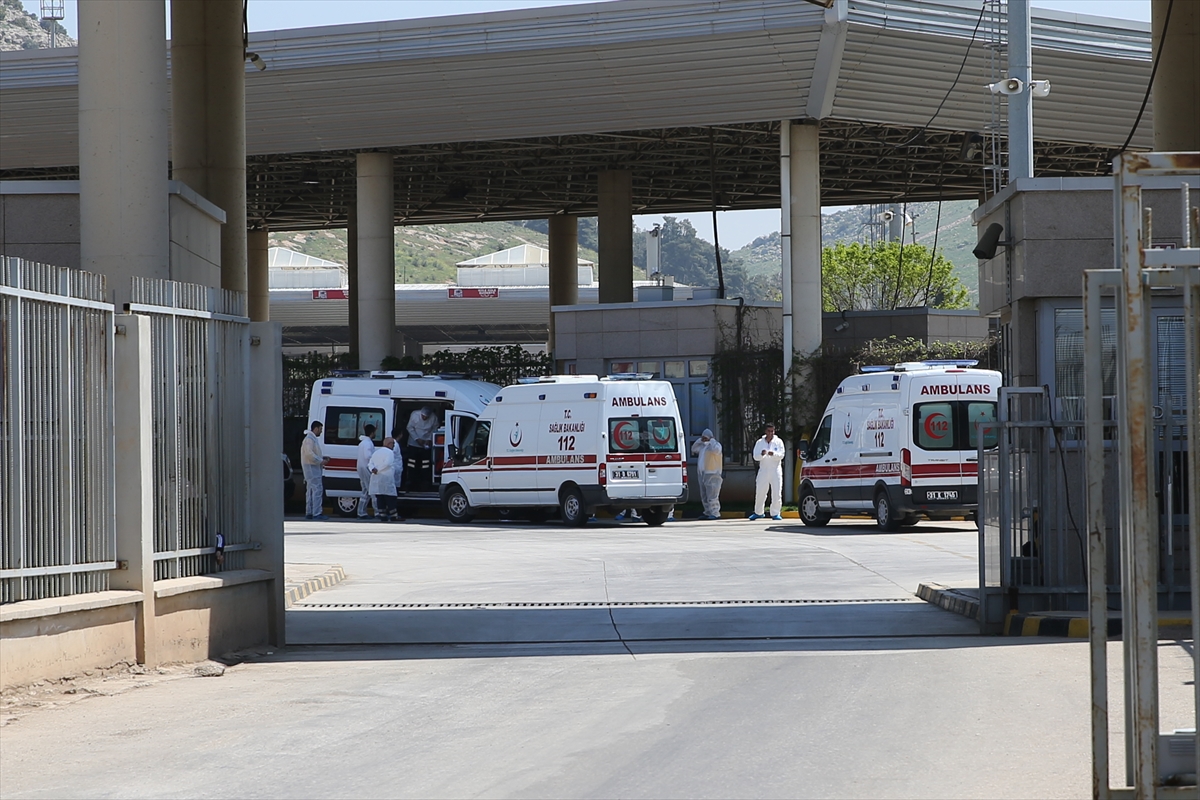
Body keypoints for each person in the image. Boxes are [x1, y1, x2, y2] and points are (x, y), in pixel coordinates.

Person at [750, 423, 785, 521]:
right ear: (765, 431)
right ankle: (758, 512)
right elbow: (755, 456)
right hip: (763, 470)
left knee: (776, 492)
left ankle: (775, 513)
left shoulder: (778, 442)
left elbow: (782, 455)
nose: (771, 433)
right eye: (769, 431)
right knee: (760, 491)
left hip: (775, 470)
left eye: (772, 431)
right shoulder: (760, 442)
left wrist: (773, 454)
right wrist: (761, 454)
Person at [300, 421, 331, 520]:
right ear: (316, 429)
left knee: (310, 490)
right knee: (317, 489)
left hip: (312, 467)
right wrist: (320, 461)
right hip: (312, 467)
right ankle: (316, 513)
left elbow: (313, 453)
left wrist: (322, 458)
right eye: (320, 429)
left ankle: (310, 512)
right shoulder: (309, 439)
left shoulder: (311, 439)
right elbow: (310, 454)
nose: (321, 432)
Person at [691, 428, 724, 520]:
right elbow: (693, 448)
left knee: (712, 495)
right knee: (704, 495)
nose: (704, 439)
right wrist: (700, 440)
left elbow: (716, 450)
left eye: (706, 437)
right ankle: (708, 512)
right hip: (702, 474)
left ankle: (715, 513)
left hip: (713, 474)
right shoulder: (703, 447)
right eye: (703, 437)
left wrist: (712, 440)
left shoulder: (716, 445)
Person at [405, 406, 439, 490]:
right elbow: (409, 427)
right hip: (413, 442)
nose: (424, 418)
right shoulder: (414, 415)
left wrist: (429, 439)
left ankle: (425, 480)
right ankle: (411, 480)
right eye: (423, 416)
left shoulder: (434, 418)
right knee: (412, 462)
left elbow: (435, 429)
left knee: (426, 463)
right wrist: (417, 439)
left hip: (426, 442)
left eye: (426, 417)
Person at [369, 437, 400, 522]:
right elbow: (387, 463)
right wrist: (377, 469)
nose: (394, 446)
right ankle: (394, 516)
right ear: (389, 444)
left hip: (377, 478)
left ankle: (383, 516)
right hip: (386, 478)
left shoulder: (376, 452)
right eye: (393, 444)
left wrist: (373, 469)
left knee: (380, 497)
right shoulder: (390, 453)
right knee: (390, 498)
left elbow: (370, 463)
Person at [356, 423, 377, 519]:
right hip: (366, 468)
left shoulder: (362, 443)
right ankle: (378, 512)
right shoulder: (368, 443)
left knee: (365, 491)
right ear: (372, 433)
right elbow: (368, 456)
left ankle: (361, 512)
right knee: (372, 490)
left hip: (360, 468)